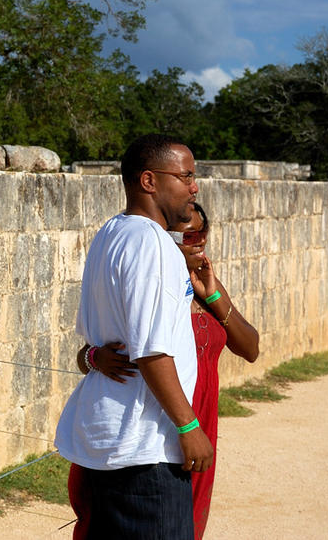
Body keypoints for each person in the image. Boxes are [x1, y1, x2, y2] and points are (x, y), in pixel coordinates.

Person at [54, 134, 213, 540]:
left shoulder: (112, 233)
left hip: (110, 443)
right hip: (143, 449)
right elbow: (151, 350)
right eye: (186, 176)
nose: (194, 187)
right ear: (149, 181)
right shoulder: (151, 242)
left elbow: (104, 338)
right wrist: (188, 426)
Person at [70, 202, 260, 539]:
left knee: (186, 521)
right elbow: (92, 353)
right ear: (167, 237)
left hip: (200, 414)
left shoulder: (205, 286)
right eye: (188, 235)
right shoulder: (151, 282)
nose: (198, 241)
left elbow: (250, 348)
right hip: (164, 419)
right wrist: (95, 358)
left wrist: (213, 295)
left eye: (203, 232)